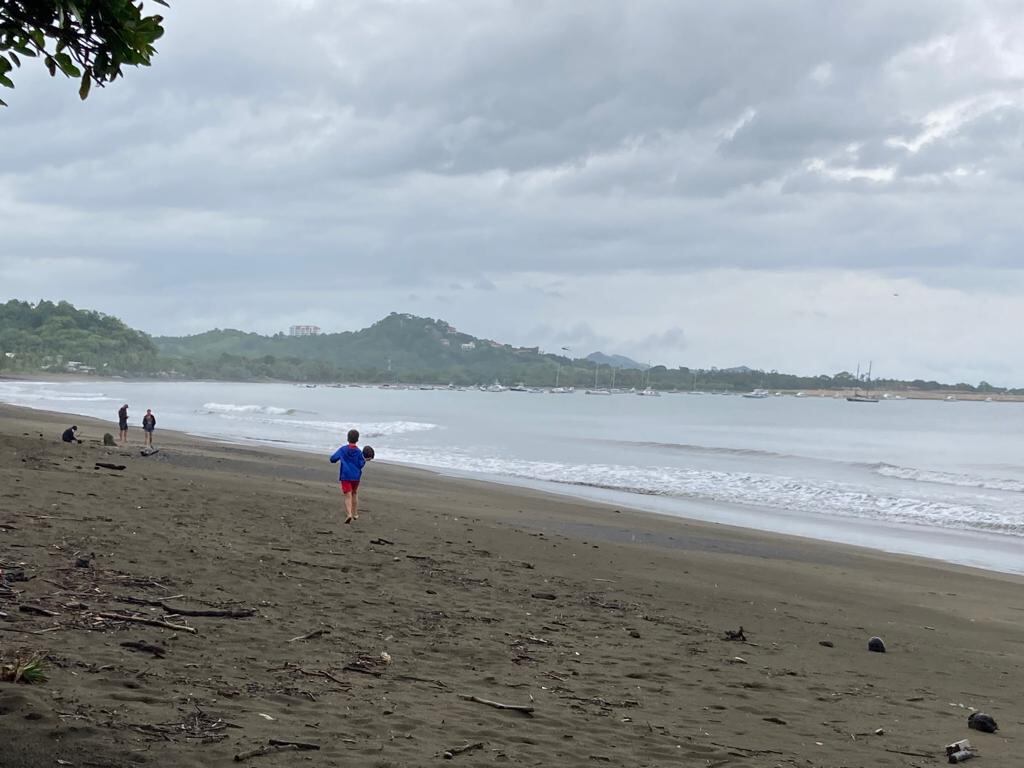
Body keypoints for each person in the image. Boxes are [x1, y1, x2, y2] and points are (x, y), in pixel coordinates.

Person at [329, 428, 369, 524]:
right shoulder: (359, 452)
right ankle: (355, 513)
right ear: (357, 439)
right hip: (356, 476)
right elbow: (361, 464)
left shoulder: (343, 450)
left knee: (348, 495)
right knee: (354, 493)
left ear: (347, 438)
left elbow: (332, 459)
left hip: (345, 475)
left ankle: (349, 514)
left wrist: (338, 460)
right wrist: (365, 460)